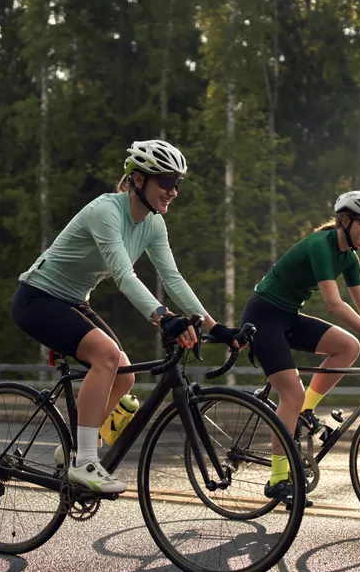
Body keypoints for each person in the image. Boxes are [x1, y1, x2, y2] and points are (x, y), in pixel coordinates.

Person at [12, 139, 239, 494]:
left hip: (73, 300)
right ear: (137, 180)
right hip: (37, 297)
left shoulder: (153, 224)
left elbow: (172, 278)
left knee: (124, 374)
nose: (173, 191)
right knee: (105, 356)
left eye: (177, 184)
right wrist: (163, 317)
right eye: (165, 182)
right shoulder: (106, 212)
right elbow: (124, 275)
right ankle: (85, 460)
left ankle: (71, 448)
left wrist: (215, 326)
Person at [240, 191, 360, 505]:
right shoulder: (322, 245)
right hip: (263, 316)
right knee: (290, 394)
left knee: (347, 347)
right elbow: (334, 304)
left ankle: (304, 410)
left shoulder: (349, 258)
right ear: (346, 220)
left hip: (288, 316)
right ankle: (278, 478)